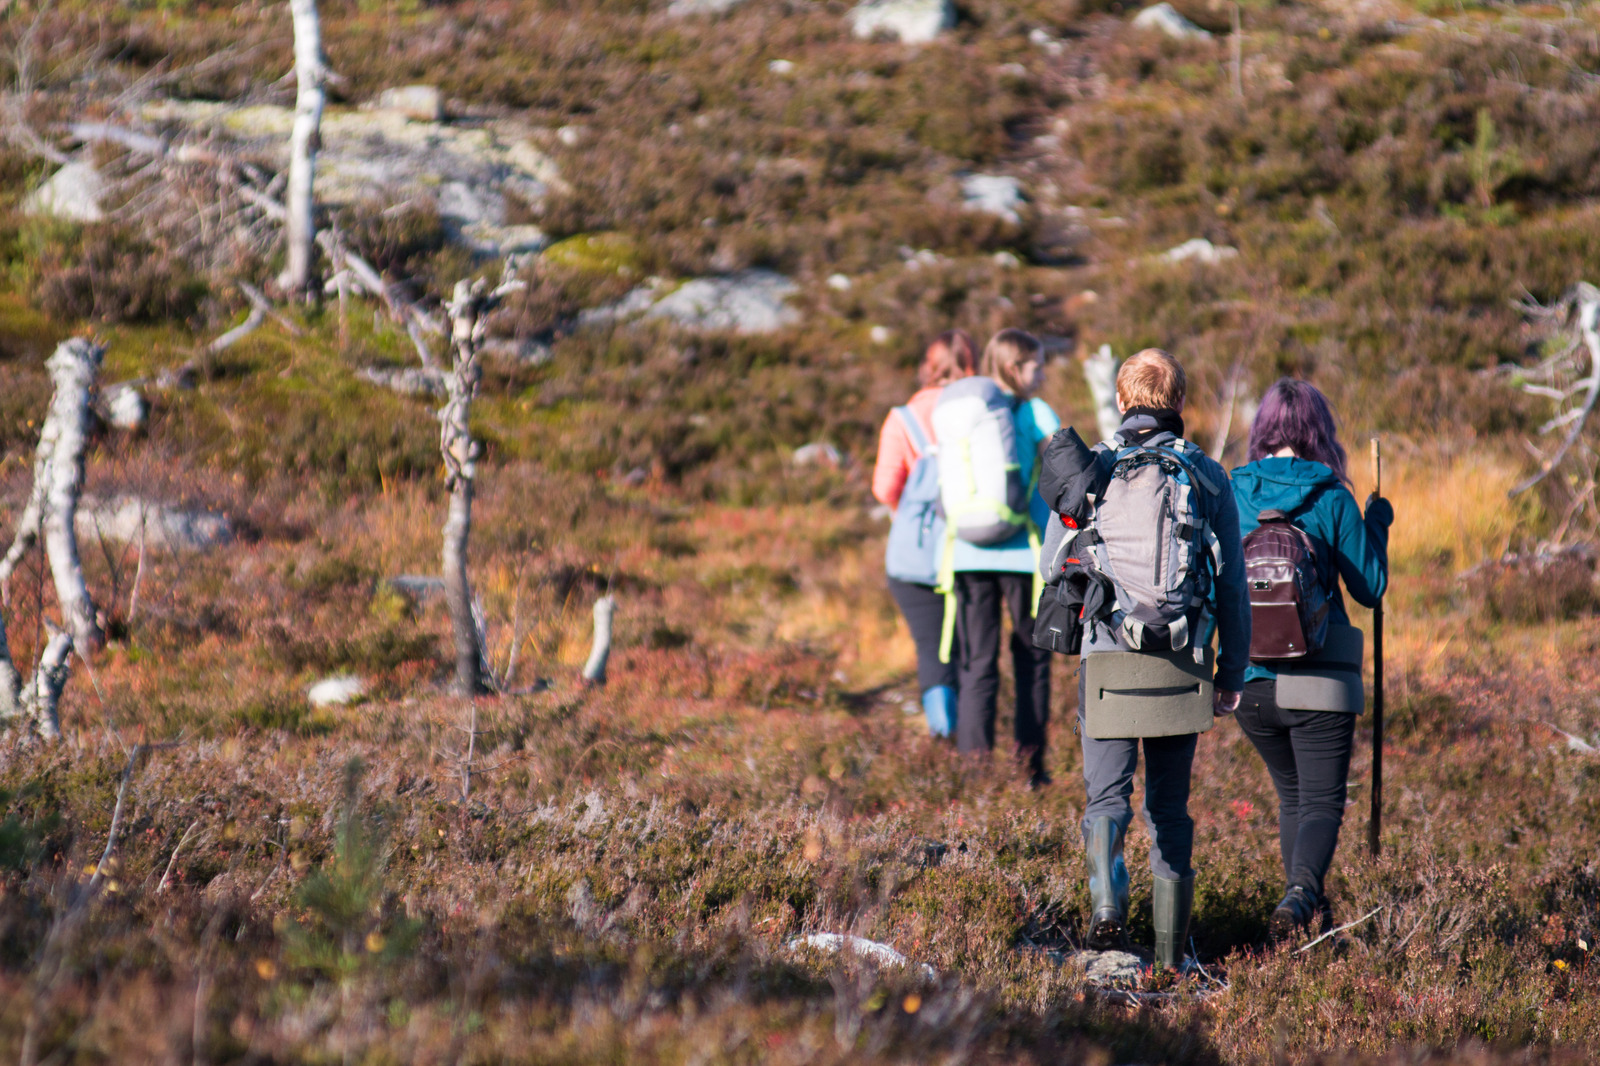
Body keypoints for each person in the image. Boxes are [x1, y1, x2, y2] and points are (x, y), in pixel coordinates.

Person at [1074, 348, 1250, 969]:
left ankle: (1105, 910)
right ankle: (1172, 956)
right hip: (1183, 662)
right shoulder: (1207, 475)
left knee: (1107, 800)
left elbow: (1055, 566)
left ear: (1123, 401)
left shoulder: (1089, 470)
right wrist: (1231, 675)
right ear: (1179, 405)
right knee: (1169, 809)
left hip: (1106, 663)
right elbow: (1231, 585)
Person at [1230, 379, 1391, 939]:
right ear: (1319, 433)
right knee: (1322, 802)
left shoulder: (1233, 492)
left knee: (1292, 796)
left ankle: (1306, 919)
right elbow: (1371, 588)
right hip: (1320, 679)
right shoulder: (1333, 498)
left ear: (1263, 431)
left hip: (1250, 684)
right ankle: (1300, 897)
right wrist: (1377, 525)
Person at [949, 328, 1058, 787]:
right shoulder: (1035, 411)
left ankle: (974, 775)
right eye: (1036, 364)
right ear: (1016, 367)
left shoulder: (970, 410)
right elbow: (1064, 469)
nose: (1043, 372)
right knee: (1031, 660)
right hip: (1023, 554)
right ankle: (1030, 771)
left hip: (967, 551)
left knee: (976, 664)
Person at [872, 330, 978, 737]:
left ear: (927, 368)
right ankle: (978, 751)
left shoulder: (904, 419)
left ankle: (943, 734)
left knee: (932, 649)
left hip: (915, 558)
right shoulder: (986, 407)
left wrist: (909, 510)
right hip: (974, 548)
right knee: (973, 652)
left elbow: (883, 488)